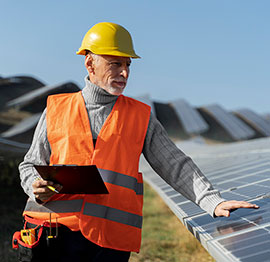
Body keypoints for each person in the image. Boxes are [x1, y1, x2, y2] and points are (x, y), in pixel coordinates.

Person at [18, 22, 258, 262]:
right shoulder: (56, 109)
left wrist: (213, 202)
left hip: (108, 244)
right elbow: (29, 165)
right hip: (53, 235)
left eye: (128, 65)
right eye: (116, 64)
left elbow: (175, 164)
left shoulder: (140, 116)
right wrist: (35, 186)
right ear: (90, 63)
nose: (125, 73)